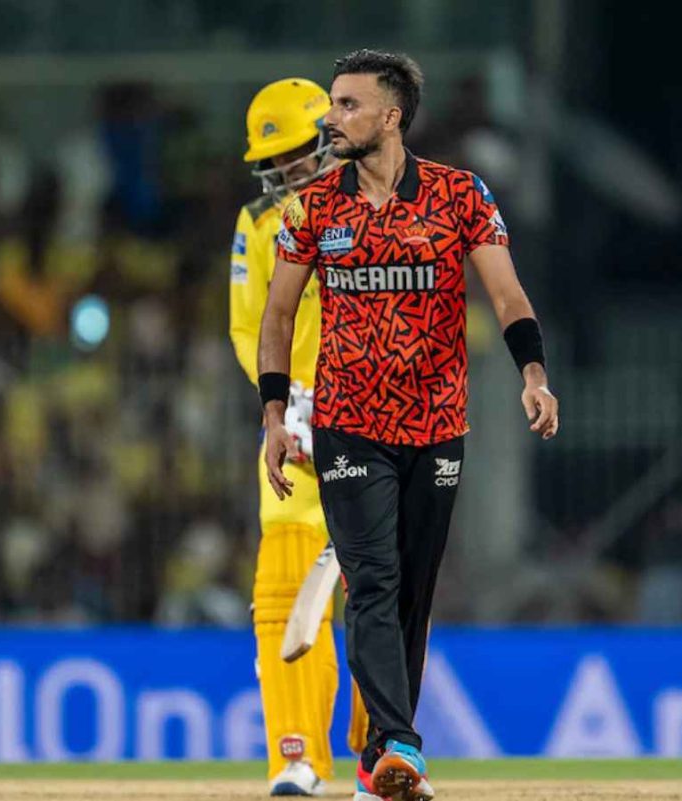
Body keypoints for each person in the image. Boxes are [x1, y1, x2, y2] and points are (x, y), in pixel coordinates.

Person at [257, 51, 559, 801]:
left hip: (436, 425)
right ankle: (399, 745)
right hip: (348, 426)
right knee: (373, 581)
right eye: (332, 102)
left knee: (410, 597)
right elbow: (278, 315)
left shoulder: (460, 195)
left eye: (348, 105)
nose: (331, 118)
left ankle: (376, 762)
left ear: (391, 117)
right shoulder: (313, 208)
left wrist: (532, 374)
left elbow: (508, 296)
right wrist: (273, 414)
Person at [229, 76, 368, 797]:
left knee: (382, 592)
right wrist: (281, 403)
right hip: (295, 432)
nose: (285, 173)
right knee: (284, 586)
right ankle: (298, 757)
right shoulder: (259, 223)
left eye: (294, 156)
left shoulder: (383, 202)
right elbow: (248, 327)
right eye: (273, 163)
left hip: (378, 426)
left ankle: (383, 750)